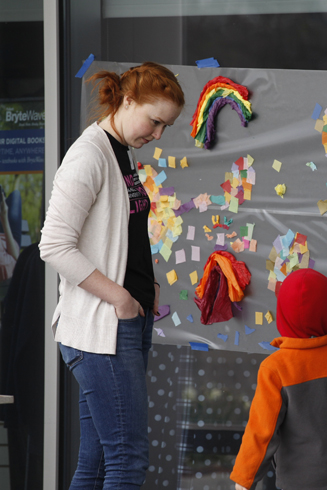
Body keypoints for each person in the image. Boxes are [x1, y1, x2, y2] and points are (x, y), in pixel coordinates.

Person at [39, 61, 185, 489]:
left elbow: (117, 237)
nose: (158, 135)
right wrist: (120, 297)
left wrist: (145, 286)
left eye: (166, 127)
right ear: (127, 100)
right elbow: (54, 245)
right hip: (101, 330)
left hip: (123, 325)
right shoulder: (89, 155)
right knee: (127, 460)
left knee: (98, 463)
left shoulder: (119, 152)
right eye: (155, 121)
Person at [230, 268, 327, 490]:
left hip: (299, 482)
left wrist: (244, 479)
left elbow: (262, 431)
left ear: (282, 312)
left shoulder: (275, 368)